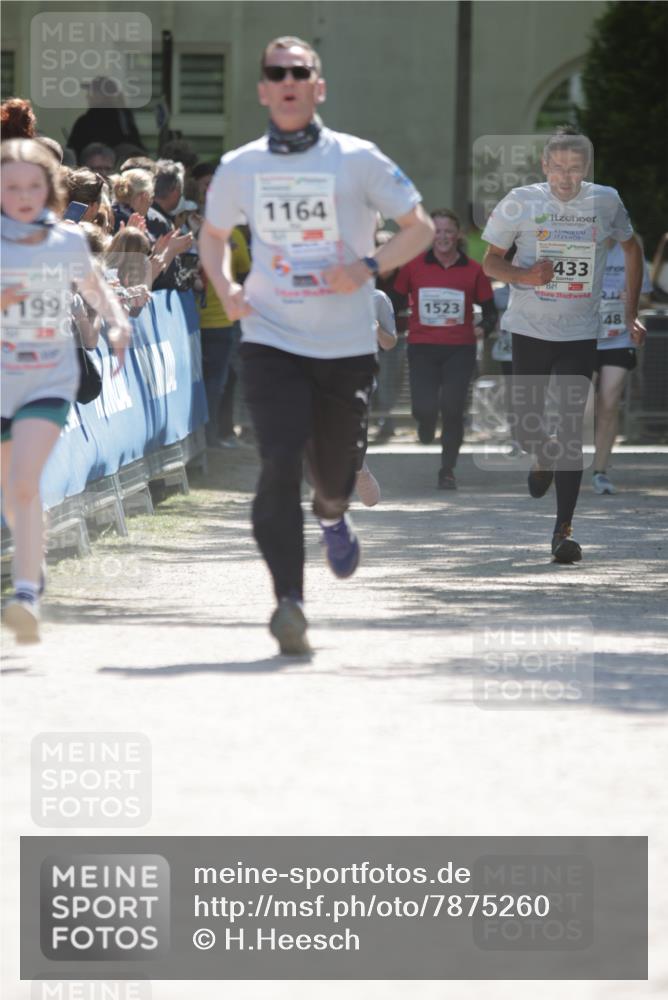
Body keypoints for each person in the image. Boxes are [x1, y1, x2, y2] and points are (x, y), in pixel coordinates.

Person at [200, 35, 434, 654]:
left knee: (331, 478)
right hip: (271, 336)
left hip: (345, 344)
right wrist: (226, 285)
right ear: (262, 89)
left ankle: (333, 514)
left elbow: (420, 229)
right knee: (277, 461)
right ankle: (289, 605)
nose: (287, 80)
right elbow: (213, 235)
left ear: (317, 86)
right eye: (275, 72)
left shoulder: (358, 159)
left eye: (299, 72)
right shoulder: (241, 166)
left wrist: (365, 267)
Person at [482, 126, 645, 562]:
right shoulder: (521, 200)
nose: (566, 177)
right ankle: (541, 457)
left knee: (571, 428)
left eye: (575, 169)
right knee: (528, 425)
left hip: (580, 331)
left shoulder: (605, 201)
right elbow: (490, 261)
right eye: (558, 168)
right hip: (530, 328)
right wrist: (525, 275)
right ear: (545, 166)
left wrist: (630, 312)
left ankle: (563, 532)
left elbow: (632, 249)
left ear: (585, 168)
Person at [1, 138, 131, 642]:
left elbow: (97, 293)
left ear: (50, 189)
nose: (23, 195)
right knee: (11, 487)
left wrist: (119, 326)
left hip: (48, 380)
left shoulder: (68, 242)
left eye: (33, 186)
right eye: (12, 187)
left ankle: (26, 594)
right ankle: (34, 560)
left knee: (26, 482)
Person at [394, 208, 497, 489]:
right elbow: (394, 302)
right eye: (437, 231)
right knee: (424, 408)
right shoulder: (413, 266)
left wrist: (483, 328)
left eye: (448, 231)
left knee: (452, 409)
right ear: (430, 235)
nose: (443, 237)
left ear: (457, 235)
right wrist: (395, 326)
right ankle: (425, 425)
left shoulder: (473, 270)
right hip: (422, 347)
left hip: (459, 350)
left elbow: (490, 312)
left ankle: (447, 469)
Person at [592, 237, 652, 494]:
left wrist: (633, 299)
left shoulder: (631, 250)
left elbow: (647, 299)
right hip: (583, 337)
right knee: (581, 406)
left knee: (609, 402)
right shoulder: (578, 245)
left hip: (618, 338)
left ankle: (599, 471)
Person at [67, 77, 144, 162]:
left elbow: (74, 151)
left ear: (103, 95)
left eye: (92, 93)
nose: (88, 96)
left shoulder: (88, 121)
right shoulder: (124, 117)